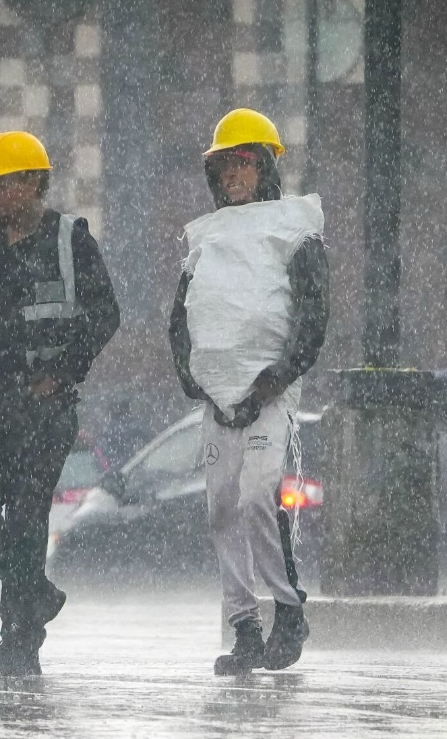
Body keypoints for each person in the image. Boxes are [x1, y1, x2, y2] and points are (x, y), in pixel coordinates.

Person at [0, 131, 120, 677]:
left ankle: (18, 646)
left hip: (43, 407)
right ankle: (35, 593)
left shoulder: (70, 240)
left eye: (0, 184)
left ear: (32, 183)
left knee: (27, 521)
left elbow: (105, 314)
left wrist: (61, 372)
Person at [169, 108, 329, 675]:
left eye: (242, 163)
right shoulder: (204, 239)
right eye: (223, 167)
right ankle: (243, 627)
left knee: (260, 495)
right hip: (218, 396)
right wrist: (197, 381)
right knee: (221, 508)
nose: (232, 176)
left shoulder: (296, 229)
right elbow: (182, 318)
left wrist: (277, 376)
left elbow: (312, 315)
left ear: (264, 167)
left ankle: (288, 610)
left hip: (270, 391)